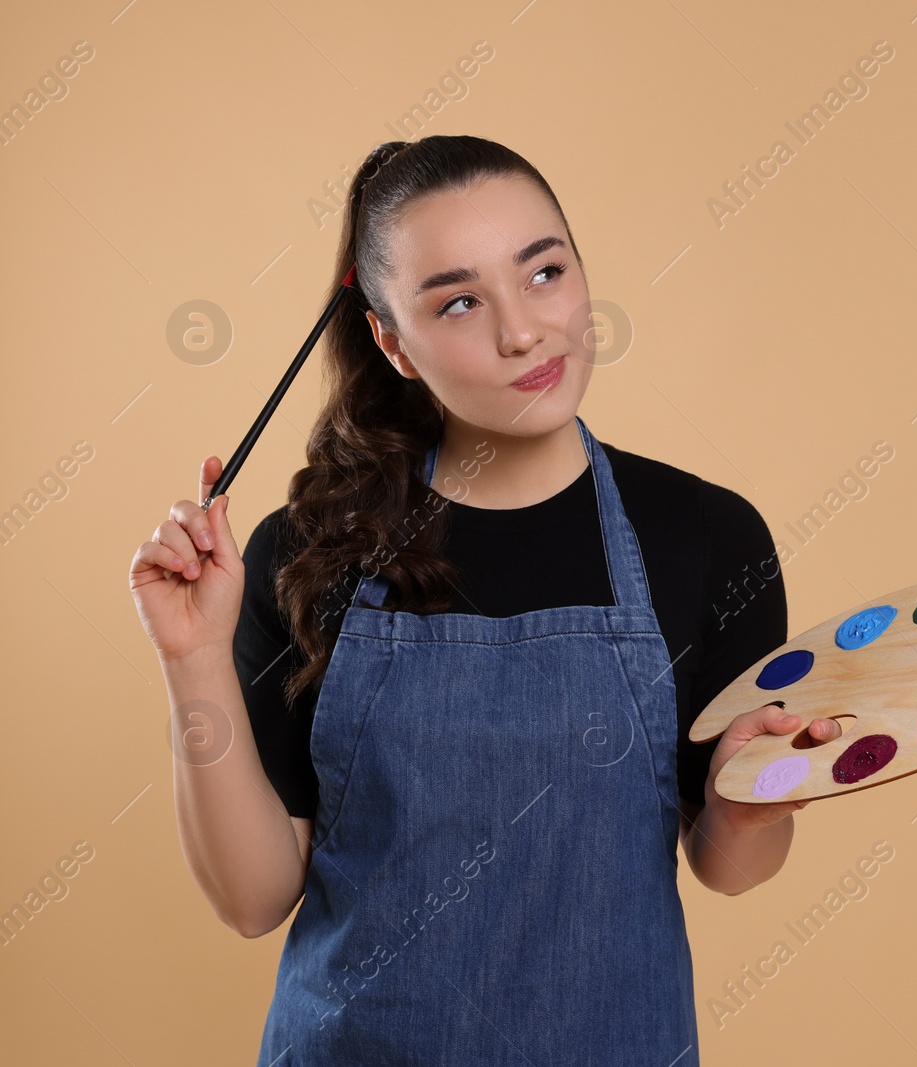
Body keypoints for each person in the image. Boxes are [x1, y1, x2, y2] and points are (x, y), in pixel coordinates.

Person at [128, 134, 842, 1065]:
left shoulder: (708, 537)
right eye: (459, 301)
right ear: (393, 342)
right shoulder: (305, 553)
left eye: (544, 272)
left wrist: (753, 806)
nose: (522, 330)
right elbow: (253, 899)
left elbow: (727, 866)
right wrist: (191, 657)